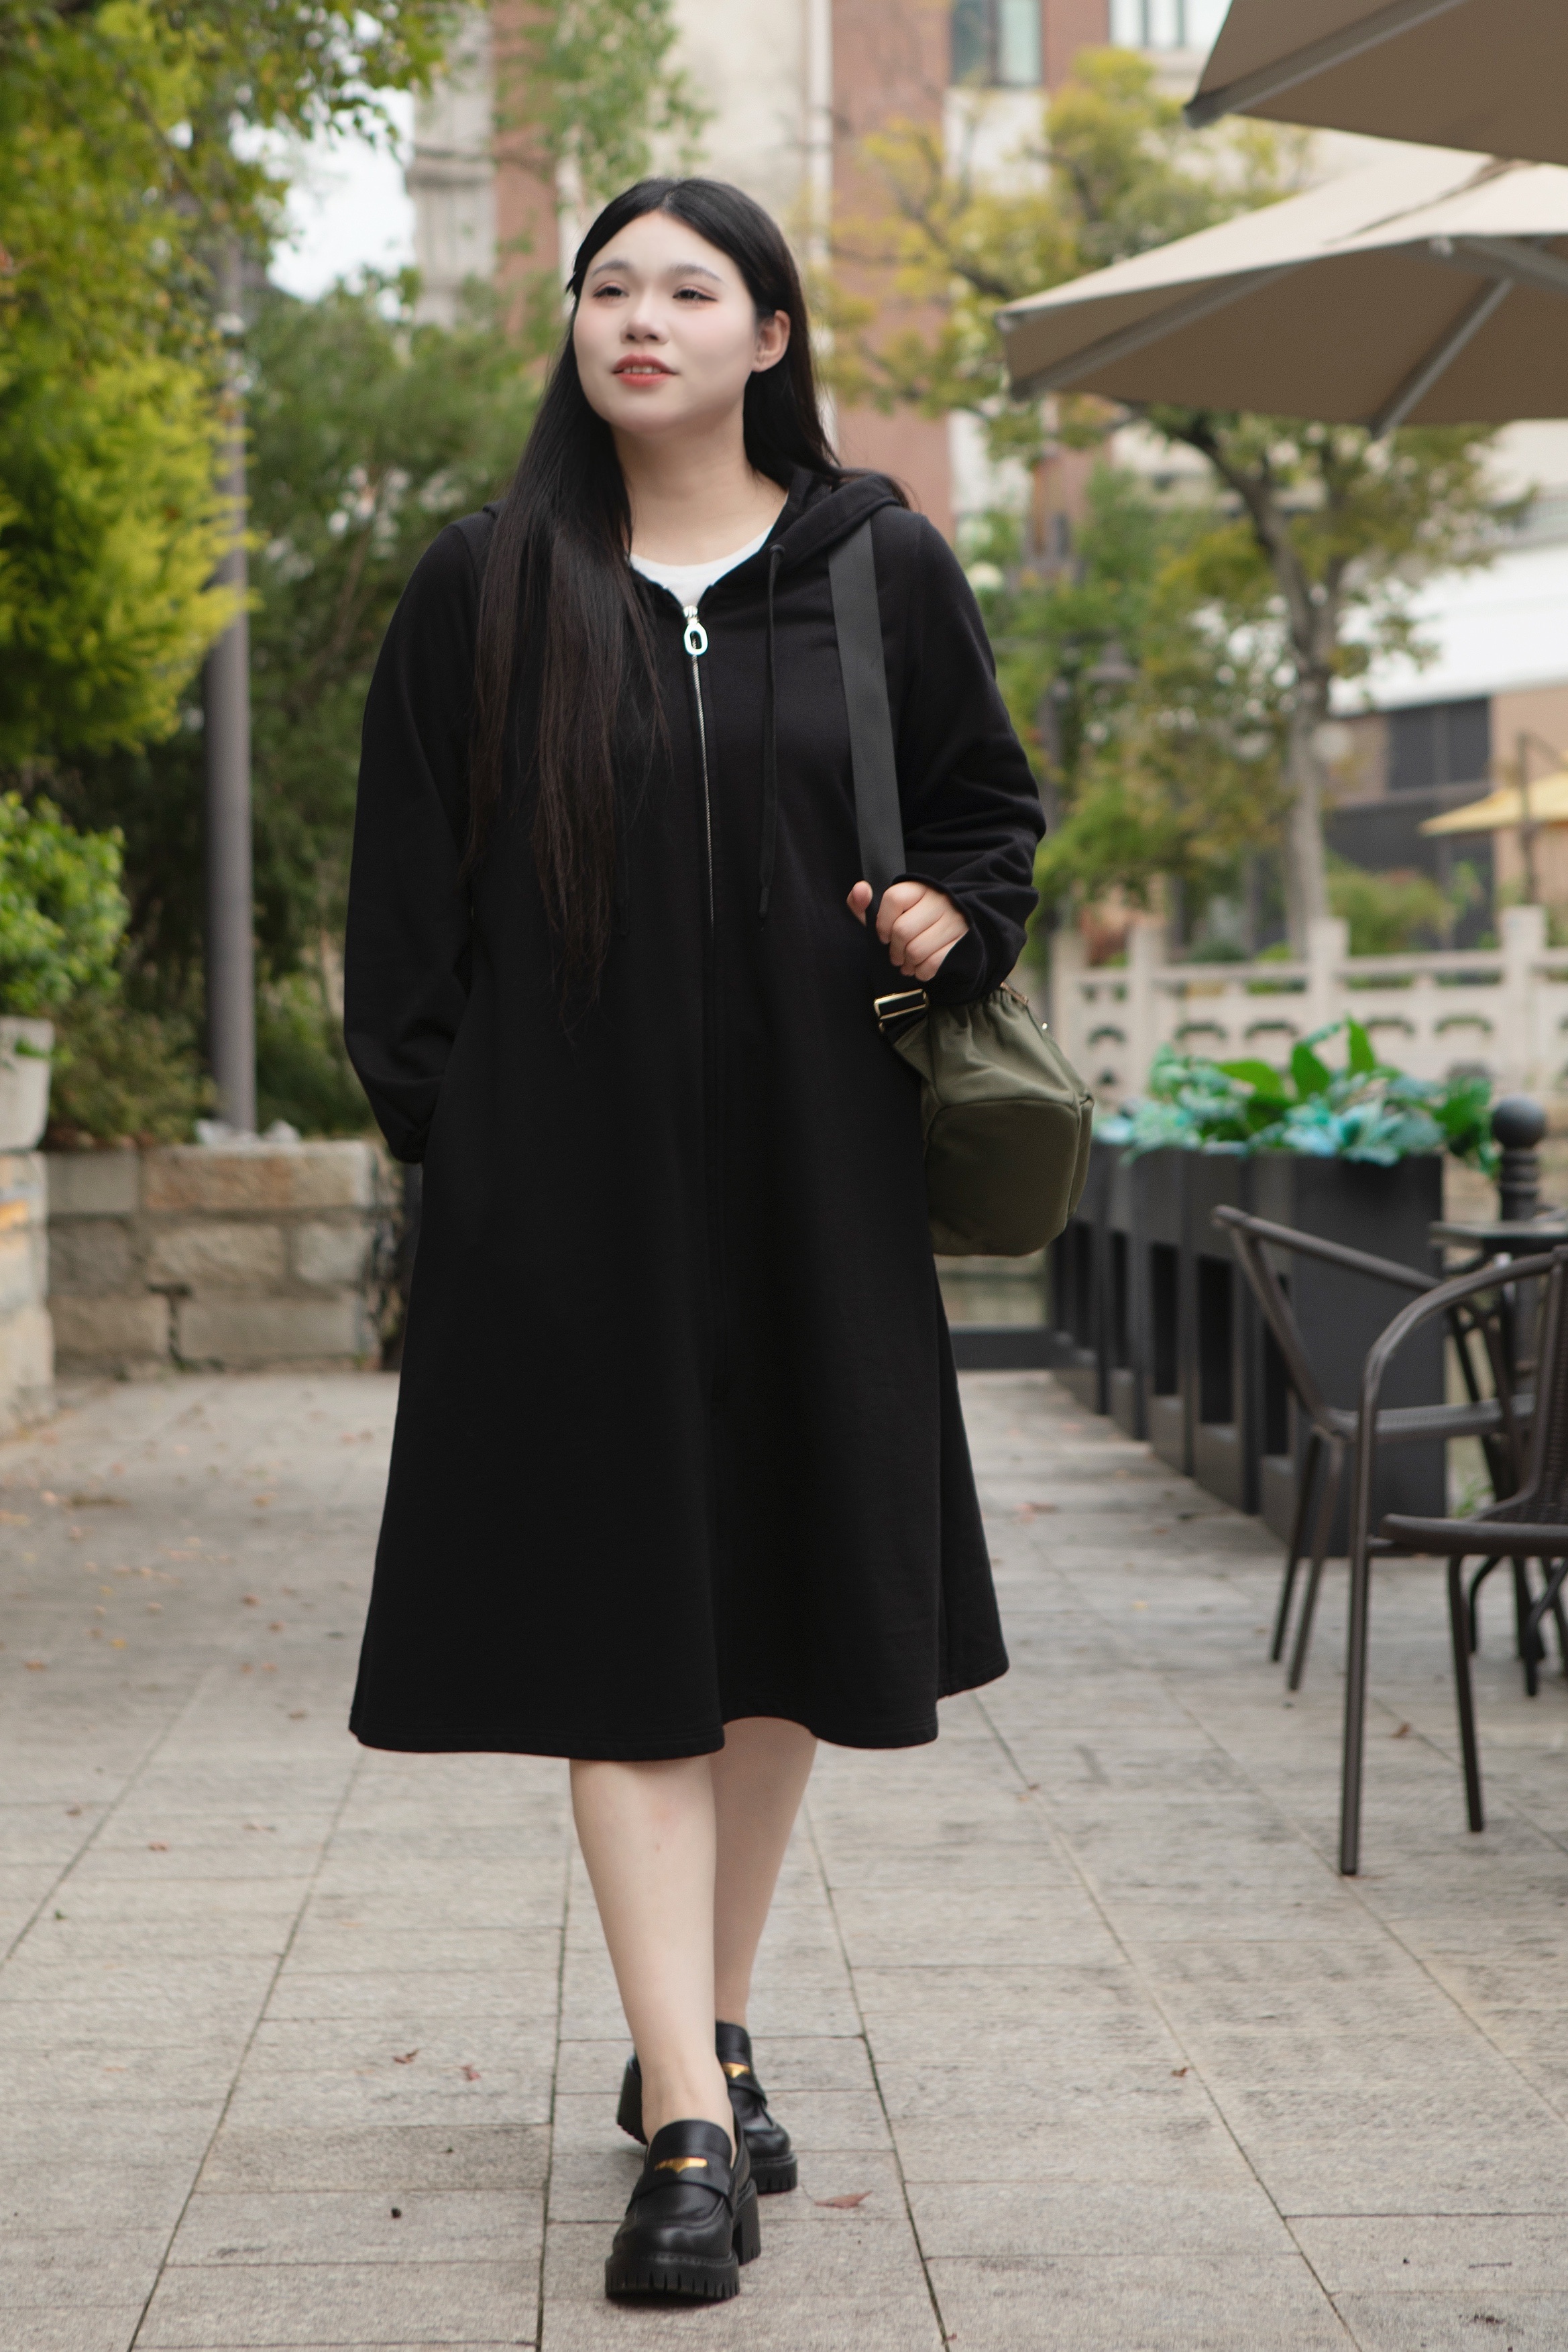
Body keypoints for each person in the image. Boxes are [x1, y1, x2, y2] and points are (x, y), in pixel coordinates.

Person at [343, 176, 1044, 2304]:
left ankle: (703, 2023)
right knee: (626, 1633)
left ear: (768, 336)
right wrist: (471, 1153)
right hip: (568, 1211)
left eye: (686, 287)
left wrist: (950, 916)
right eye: (606, 286)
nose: (636, 316)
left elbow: (985, 813)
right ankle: (685, 2126)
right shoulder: (483, 588)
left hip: (819, 1184)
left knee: (785, 1621)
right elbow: (400, 924)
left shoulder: (877, 568)